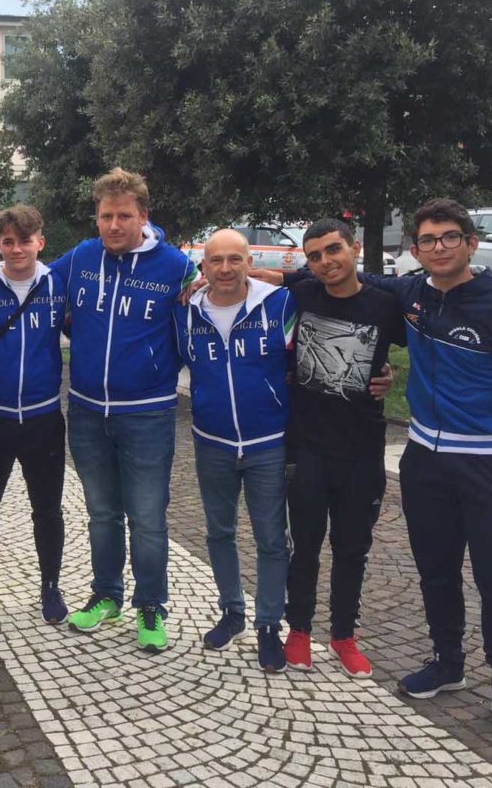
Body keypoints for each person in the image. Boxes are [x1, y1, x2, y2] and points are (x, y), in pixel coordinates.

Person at [265, 198, 492, 740]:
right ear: (416, 250)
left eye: (448, 237)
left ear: (471, 243)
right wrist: (249, 273)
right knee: (436, 569)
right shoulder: (412, 294)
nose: (437, 248)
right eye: (427, 240)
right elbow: (319, 276)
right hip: (424, 457)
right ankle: (447, 662)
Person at [49, 168, 196, 651]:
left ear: (143, 217)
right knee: (101, 512)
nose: (114, 225)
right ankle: (106, 595)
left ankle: (151, 605)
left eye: (124, 216)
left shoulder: (175, 267)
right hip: (87, 409)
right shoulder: (81, 257)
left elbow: (216, 298)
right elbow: (35, 283)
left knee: (148, 517)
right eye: (106, 216)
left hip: (148, 412)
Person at [281, 218, 404, 678]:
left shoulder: (385, 306)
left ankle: (343, 636)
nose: (325, 262)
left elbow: (419, 350)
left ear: (354, 248)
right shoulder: (300, 296)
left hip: (362, 451)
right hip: (309, 449)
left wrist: (391, 374)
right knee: (304, 548)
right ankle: (298, 631)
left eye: (333, 250)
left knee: (352, 550)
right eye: (314, 256)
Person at [175, 228, 295, 672]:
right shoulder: (186, 312)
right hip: (212, 441)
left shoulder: (280, 304)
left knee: (271, 538)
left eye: (234, 259)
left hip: (268, 441)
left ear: (250, 263)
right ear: (203, 267)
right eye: (216, 260)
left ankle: (269, 624)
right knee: (219, 531)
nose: (225, 269)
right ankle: (232, 611)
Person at [0, 205, 69, 624]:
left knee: (48, 508)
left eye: (25, 241)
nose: (17, 249)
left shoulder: (58, 284)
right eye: (8, 241)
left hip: (43, 417)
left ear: (40, 242)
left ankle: (51, 585)